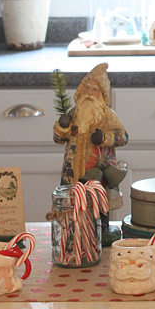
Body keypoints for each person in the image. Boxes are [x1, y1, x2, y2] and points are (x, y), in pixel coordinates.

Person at [53, 63, 128, 214]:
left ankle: (103, 230)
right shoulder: (75, 113)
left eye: (95, 90)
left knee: (99, 206)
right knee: (74, 207)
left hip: (99, 173)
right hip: (73, 173)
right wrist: (62, 127)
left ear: (102, 94)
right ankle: (75, 231)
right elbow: (59, 139)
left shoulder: (108, 115)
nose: (89, 93)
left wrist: (105, 137)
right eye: (87, 88)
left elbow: (123, 137)